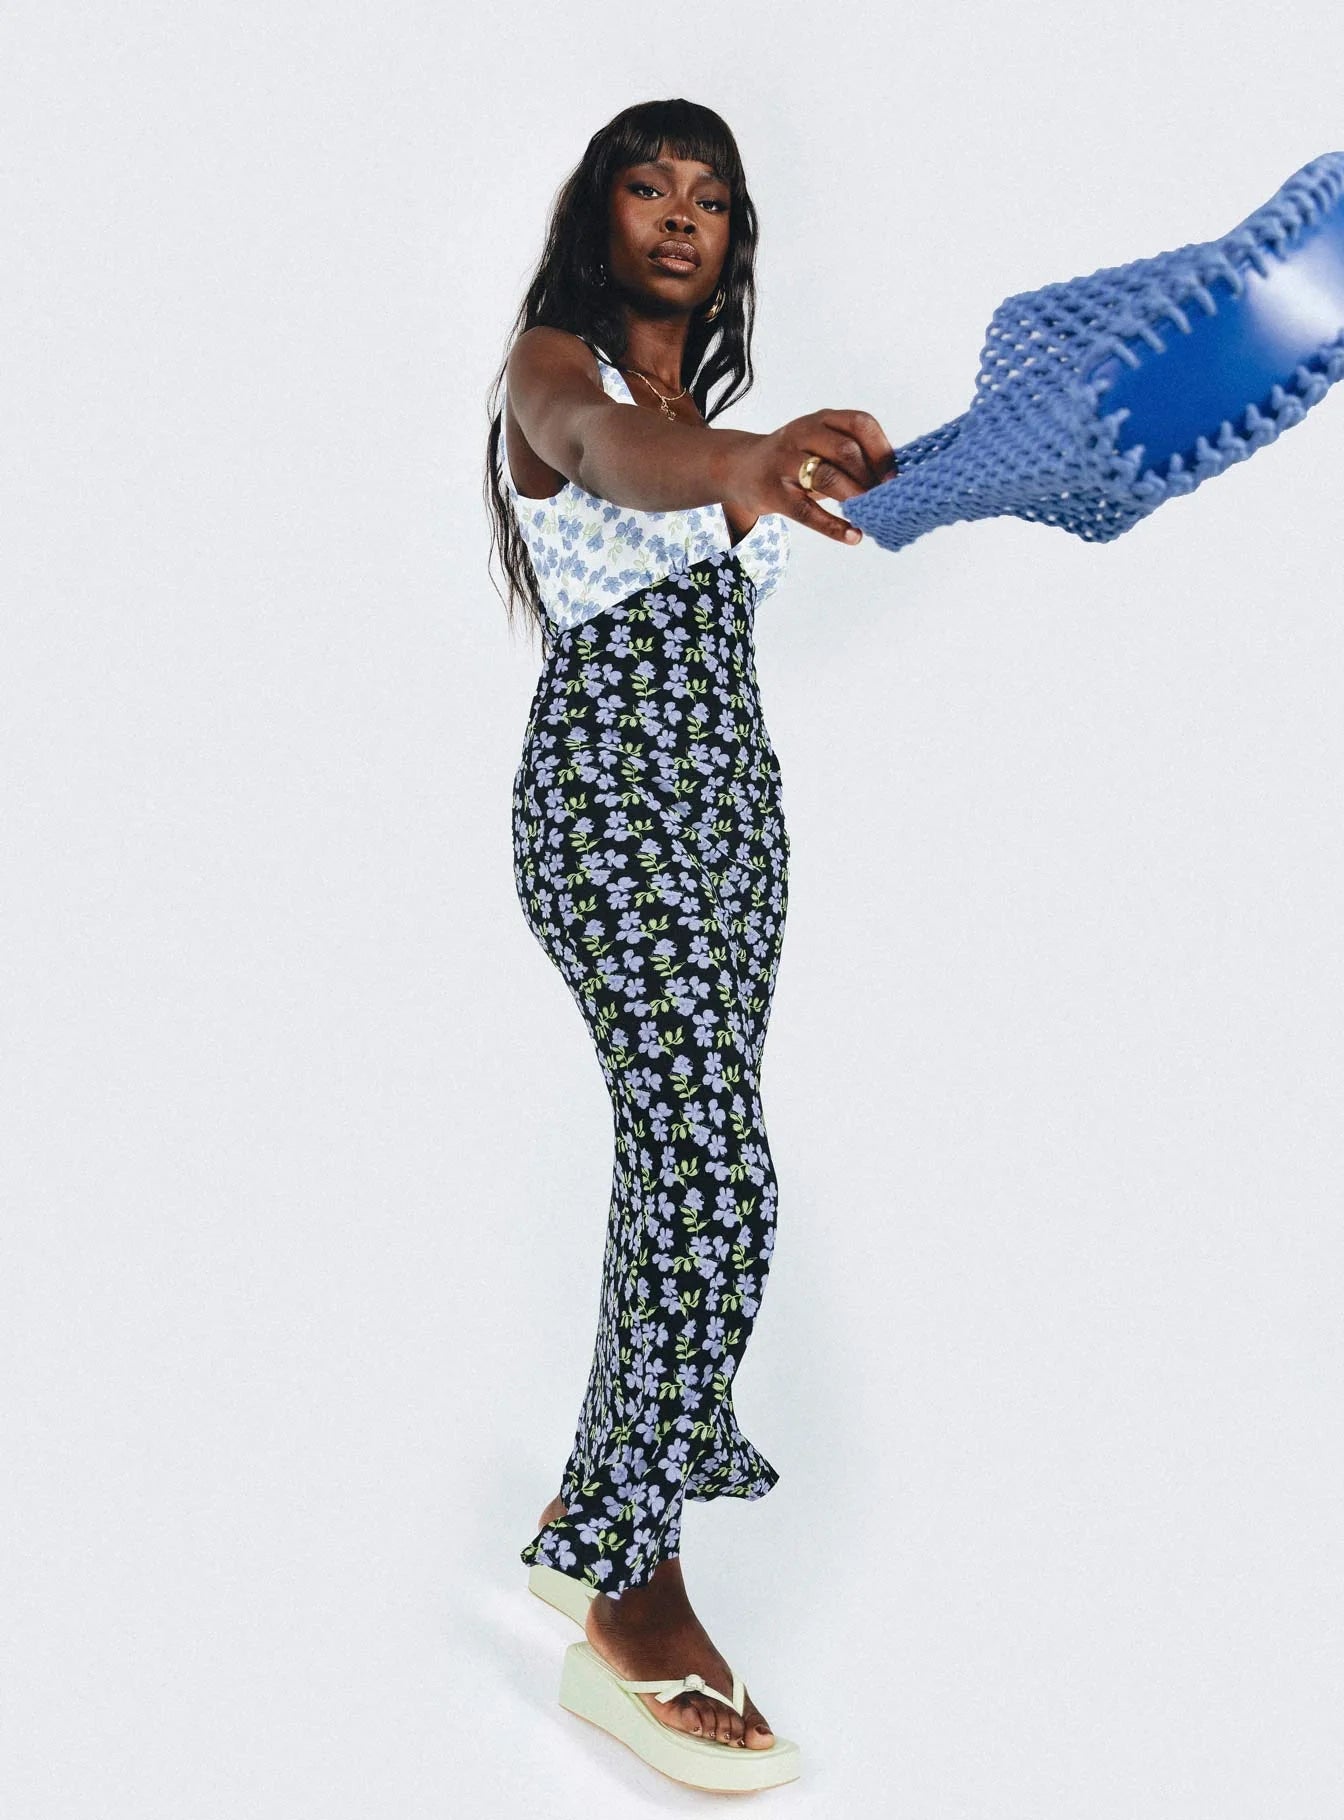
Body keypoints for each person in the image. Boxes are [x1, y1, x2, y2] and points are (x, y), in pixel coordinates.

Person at [483, 98, 897, 1769]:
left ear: (731, 244)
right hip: (612, 808)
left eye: (710, 198)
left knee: (676, 1166)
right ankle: (627, 1586)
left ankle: (589, 1504)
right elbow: (605, 454)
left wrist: (878, 467)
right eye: (648, 186)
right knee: (720, 1178)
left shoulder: (707, 423)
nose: (678, 214)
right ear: (600, 214)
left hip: (733, 823)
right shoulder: (554, 372)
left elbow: (712, 467)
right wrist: (745, 464)